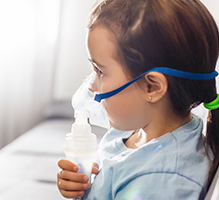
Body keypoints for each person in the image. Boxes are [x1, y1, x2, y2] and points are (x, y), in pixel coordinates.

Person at [57, 0, 219, 199]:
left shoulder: (162, 182)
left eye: (100, 71)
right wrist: (82, 187)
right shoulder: (134, 128)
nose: (91, 86)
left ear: (152, 87)